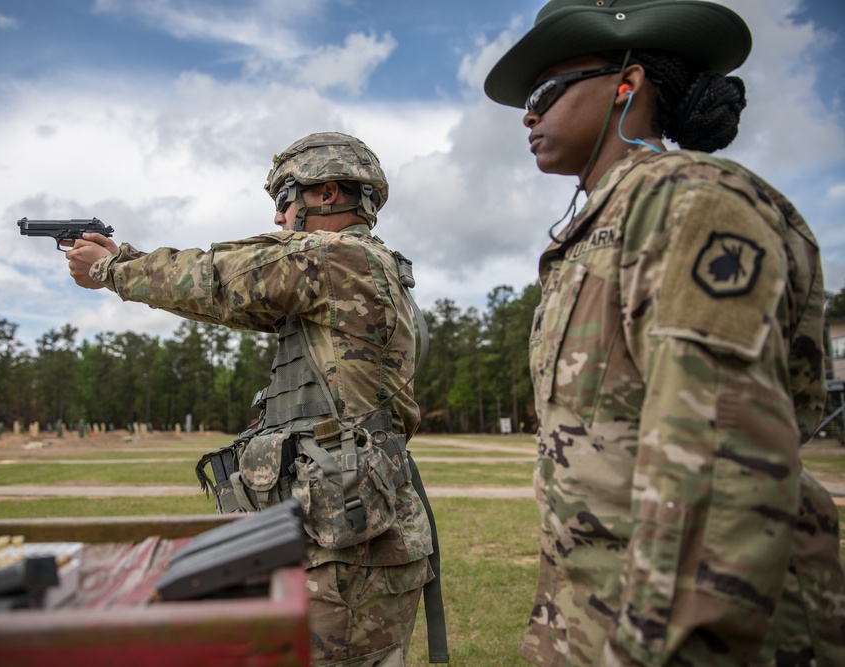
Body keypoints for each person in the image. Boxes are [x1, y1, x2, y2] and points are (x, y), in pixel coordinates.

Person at [484, 1, 845, 665]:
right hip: (592, 625)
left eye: (542, 91)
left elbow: (717, 469)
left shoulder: (686, 201)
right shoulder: (600, 227)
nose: (528, 116)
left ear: (629, 82)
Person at [65, 132, 443, 666]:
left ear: (327, 193)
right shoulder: (358, 268)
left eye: (283, 199)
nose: (278, 218)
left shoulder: (335, 259)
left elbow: (219, 279)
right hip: (353, 540)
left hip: (349, 553)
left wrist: (113, 269)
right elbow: (233, 302)